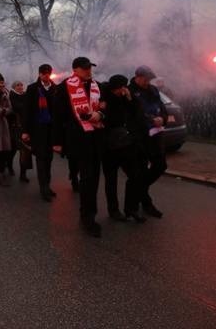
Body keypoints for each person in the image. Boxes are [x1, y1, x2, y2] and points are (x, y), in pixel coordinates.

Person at [52, 57, 106, 237]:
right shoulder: (63, 87)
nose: (89, 71)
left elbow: (105, 106)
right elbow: (58, 117)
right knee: (87, 178)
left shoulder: (97, 86)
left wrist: (100, 114)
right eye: (85, 69)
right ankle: (87, 217)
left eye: (90, 68)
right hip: (78, 139)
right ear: (75, 70)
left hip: (96, 138)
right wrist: (58, 142)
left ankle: (90, 213)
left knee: (95, 177)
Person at [101, 75, 147, 223]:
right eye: (123, 87)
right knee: (111, 179)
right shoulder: (105, 99)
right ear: (117, 88)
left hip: (126, 143)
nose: (125, 89)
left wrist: (129, 99)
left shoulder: (125, 97)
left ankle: (131, 208)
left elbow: (137, 112)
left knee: (135, 175)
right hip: (109, 145)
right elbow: (106, 119)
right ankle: (113, 210)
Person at [129, 65, 168, 219]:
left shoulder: (153, 90)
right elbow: (134, 114)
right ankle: (145, 203)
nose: (148, 81)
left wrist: (162, 119)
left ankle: (138, 193)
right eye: (146, 79)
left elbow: (162, 109)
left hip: (156, 136)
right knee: (141, 171)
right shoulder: (130, 91)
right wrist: (151, 120)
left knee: (160, 165)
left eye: (150, 79)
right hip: (140, 137)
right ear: (138, 76)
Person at [22, 64, 58, 202]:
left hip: (51, 129)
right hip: (38, 129)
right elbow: (27, 111)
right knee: (41, 159)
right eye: (43, 73)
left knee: (49, 159)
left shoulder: (55, 88)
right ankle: (43, 188)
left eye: (48, 73)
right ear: (39, 74)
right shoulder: (32, 89)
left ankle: (47, 185)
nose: (46, 75)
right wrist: (25, 131)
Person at [8, 81, 32, 183]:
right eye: (18, 85)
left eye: (21, 85)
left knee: (25, 151)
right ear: (14, 87)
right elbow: (18, 108)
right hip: (15, 127)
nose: (20, 87)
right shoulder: (11, 97)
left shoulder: (26, 95)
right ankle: (9, 165)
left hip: (25, 127)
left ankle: (23, 174)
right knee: (12, 149)